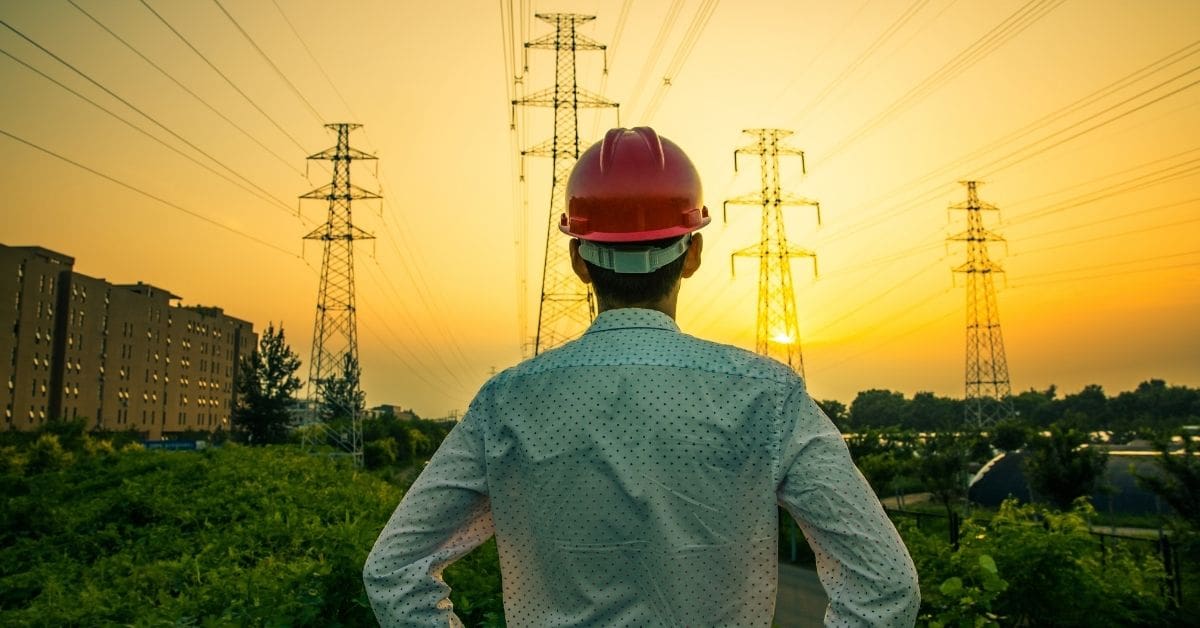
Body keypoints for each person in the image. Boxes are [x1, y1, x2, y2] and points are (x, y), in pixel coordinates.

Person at [364, 127, 920, 626]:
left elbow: (393, 572)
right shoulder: (768, 397)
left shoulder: (507, 402)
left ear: (579, 260)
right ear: (693, 252)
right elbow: (886, 586)